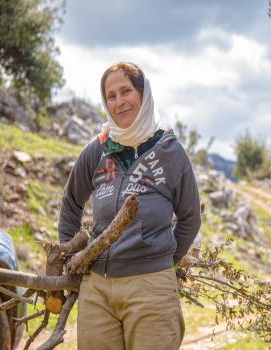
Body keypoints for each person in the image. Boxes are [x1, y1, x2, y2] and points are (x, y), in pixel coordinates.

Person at [58, 62, 201, 350]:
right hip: (97, 289)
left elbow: (189, 218)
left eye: (126, 91)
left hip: (151, 289)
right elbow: (71, 203)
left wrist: (160, 260)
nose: (119, 102)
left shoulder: (169, 151)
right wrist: (72, 257)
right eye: (111, 95)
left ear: (143, 94)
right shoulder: (98, 150)